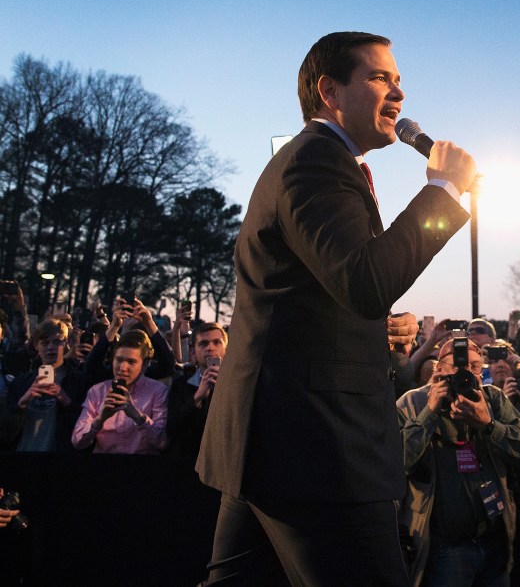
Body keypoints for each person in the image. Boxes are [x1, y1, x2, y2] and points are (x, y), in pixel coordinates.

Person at [197, 31, 477, 585]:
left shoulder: (325, 164)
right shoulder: (316, 164)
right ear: (329, 91)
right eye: (380, 78)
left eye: (399, 81)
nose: (398, 93)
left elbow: (330, 295)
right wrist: (443, 192)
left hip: (278, 443)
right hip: (316, 451)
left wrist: (376, 331)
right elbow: (365, 282)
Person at [397, 336, 520, 586]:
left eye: (474, 366)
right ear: (439, 369)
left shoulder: (493, 398)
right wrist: (429, 413)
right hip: (445, 547)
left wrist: (489, 425)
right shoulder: (412, 402)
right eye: (458, 366)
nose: (467, 373)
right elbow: (397, 463)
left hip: (494, 541)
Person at [71, 330, 168, 454]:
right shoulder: (97, 391)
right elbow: (77, 442)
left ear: (145, 365)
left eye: (131, 362)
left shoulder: (158, 391)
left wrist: (136, 415)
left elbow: (162, 442)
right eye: (119, 360)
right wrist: (100, 419)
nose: (122, 368)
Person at [6, 319, 89, 452]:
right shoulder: (21, 383)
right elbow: (5, 432)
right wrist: (21, 404)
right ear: (36, 345)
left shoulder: (79, 382)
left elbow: (85, 429)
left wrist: (66, 401)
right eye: (45, 342)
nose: (51, 347)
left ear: (66, 343)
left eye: (57, 342)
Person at [166, 322, 227, 457]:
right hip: (189, 459)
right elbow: (172, 429)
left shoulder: (237, 384)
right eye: (203, 343)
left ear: (226, 349)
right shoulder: (180, 385)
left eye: (217, 342)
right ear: (193, 351)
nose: (210, 348)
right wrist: (197, 397)